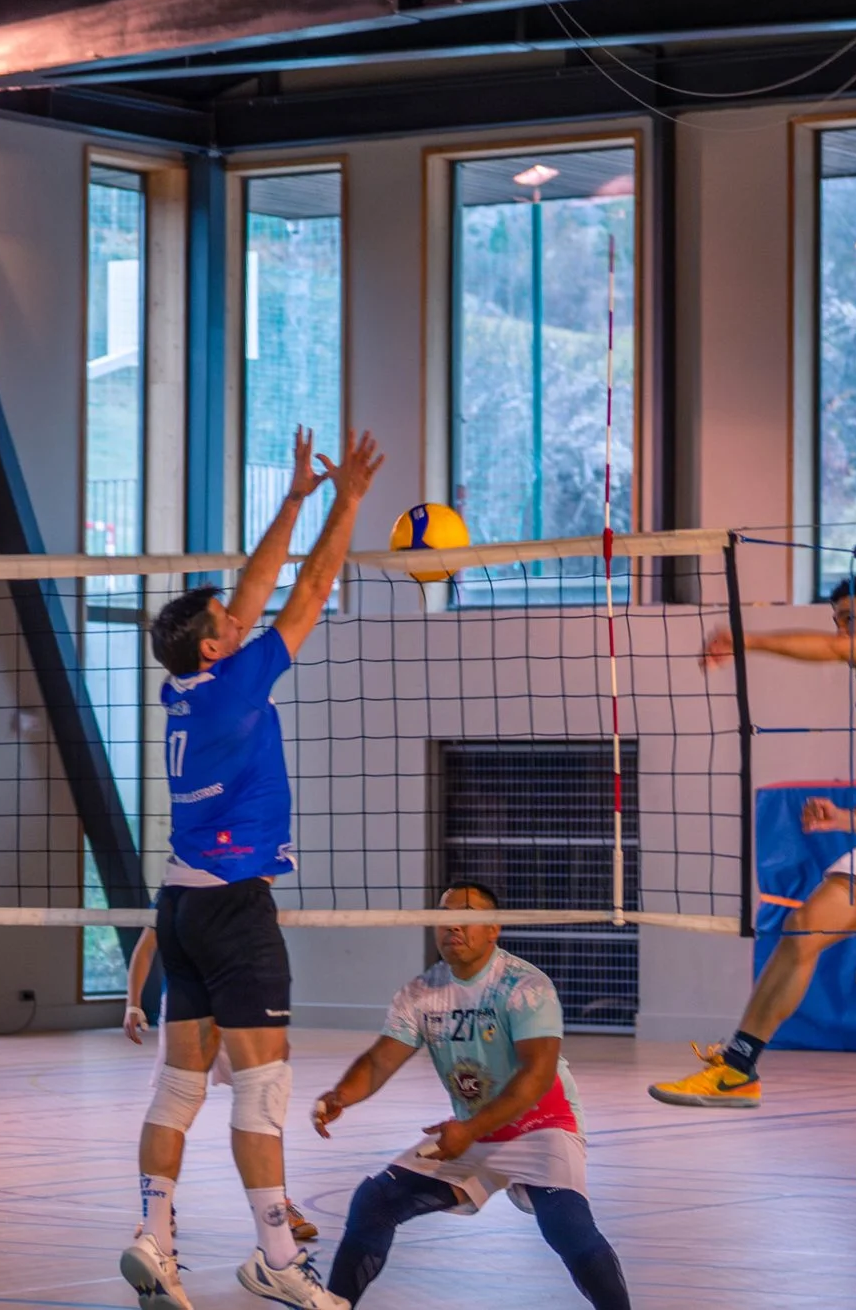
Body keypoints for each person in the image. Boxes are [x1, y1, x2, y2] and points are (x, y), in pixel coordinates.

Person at [119, 424, 381, 1310]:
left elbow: (253, 589)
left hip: (180, 908)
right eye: (231, 626)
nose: (243, 620)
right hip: (233, 911)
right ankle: (275, 1256)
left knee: (179, 1086)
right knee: (262, 1091)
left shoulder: (182, 688)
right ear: (214, 649)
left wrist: (294, 500)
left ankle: (153, 1237)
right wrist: (346, 501)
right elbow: (306, 588)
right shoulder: (234, 682)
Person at [652, 574, 856, 1194]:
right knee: (802, 927)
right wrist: (843, 819)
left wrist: (744, 640)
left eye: (848, 617)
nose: (839, 631)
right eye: (835, 618)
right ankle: (738, 1067)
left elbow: (833, 652)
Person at [311, 884, 631, 1308]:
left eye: (467, 916)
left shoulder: (525, 986)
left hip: (542, 1125)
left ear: (494, 929)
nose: (454, 925)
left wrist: (470, 1130)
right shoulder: (421, 992)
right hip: (474, 1130)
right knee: (376, 1200)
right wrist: (341, 1095)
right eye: (445, 918)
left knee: (567, 1228)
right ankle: (336, 1302)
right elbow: (379, 1061)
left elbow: (536, 1076)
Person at [119, 928, 317, 1245]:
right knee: (174, 1100)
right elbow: (145, 948)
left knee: (265, 1099)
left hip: (244, 1000)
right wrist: (133, 1003)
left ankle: (278, 1207)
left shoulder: (247, 889)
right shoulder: (181, 888)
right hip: (190, 1000)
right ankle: (157, 1211)